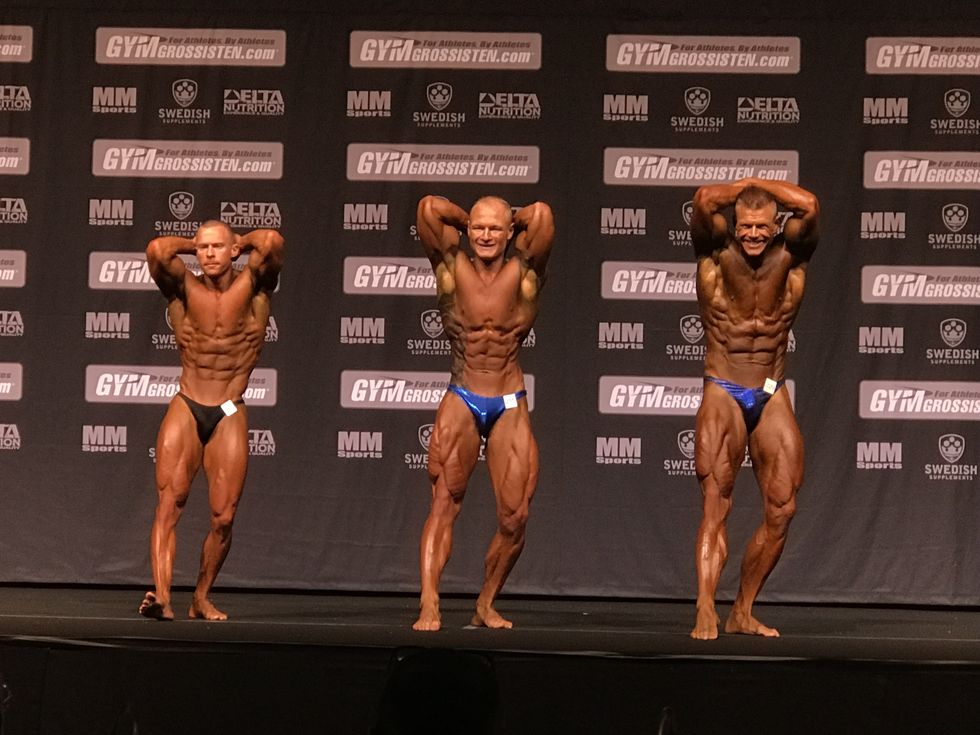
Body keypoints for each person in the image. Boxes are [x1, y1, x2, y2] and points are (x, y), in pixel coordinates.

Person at [413, 195, 555, 631]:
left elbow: (542, 215)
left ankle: (486, 602)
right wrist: (468, 220)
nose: (486, 235)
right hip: (463, 394)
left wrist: (508, 219)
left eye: (495, 228)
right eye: (478, 228)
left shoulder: (525, 270)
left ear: (510, 232)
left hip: (509, 399)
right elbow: (428, 208)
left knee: (516, 516)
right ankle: (430, 602)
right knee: (443, 502)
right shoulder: (449, 264)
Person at [688, 177, 819, 639]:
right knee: (716, 501)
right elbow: (704, 200)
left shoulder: (793, 254)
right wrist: (745, 186)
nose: (753, 234)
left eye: (762, 226)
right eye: (745, 225)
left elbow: (810, 205)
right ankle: (706, 605)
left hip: (770, 388)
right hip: (723, 386)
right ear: (734, 223)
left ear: (777, 224)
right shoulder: (714, 251)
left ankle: (742, 609)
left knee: (782, 508)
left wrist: (760, 186)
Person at [138, 220, 284, 621]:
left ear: (234, 250)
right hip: (187, 403)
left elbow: (271, 242)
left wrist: (237, 241)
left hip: (229, 408)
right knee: (169, 504)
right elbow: (156, 250)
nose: (208, 254)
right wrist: (195, 242)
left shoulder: (255, 286)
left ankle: (200, 597)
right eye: (202, 248)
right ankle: (162, 596)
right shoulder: (182, 286)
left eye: (217, 247)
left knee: (224, 517)